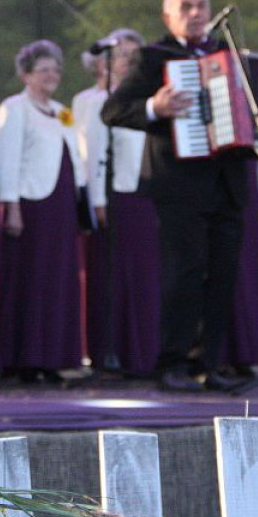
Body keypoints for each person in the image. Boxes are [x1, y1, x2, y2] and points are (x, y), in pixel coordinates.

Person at [101, 0, 258, 392]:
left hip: (228, 184)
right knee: (183, 274)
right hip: (178, 185)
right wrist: (157, 106)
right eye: (185, 7)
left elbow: (255, 120)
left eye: (201, 5)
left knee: (223, 274)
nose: (195, 13)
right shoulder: (154, 58)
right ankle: (172, 362)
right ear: (167, 16)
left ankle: (209, 362)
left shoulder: (230, 59)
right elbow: (113, 110)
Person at [0, 39, 83, 383]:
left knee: (57, 280)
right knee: (29, 280)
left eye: (55, 68)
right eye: (43, 69)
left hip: (60, 205)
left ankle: (53, 356)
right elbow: (6, 161)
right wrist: (11, 206)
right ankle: (22, 359)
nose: (51, 74)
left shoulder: (61, 111)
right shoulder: (15, 108)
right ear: (26, 75)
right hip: (30, 204)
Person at [73, 29, 158, 375]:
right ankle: (113, 351)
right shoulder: (91, 101)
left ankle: (147, 354)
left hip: (148, 192)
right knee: (115, 276)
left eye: (135, 55)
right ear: (103, 64)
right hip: (115, 195)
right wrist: (96, 200)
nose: (131, 62)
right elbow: (89, 153)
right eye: (124, 55)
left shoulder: (151, 98)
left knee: (146, 277)